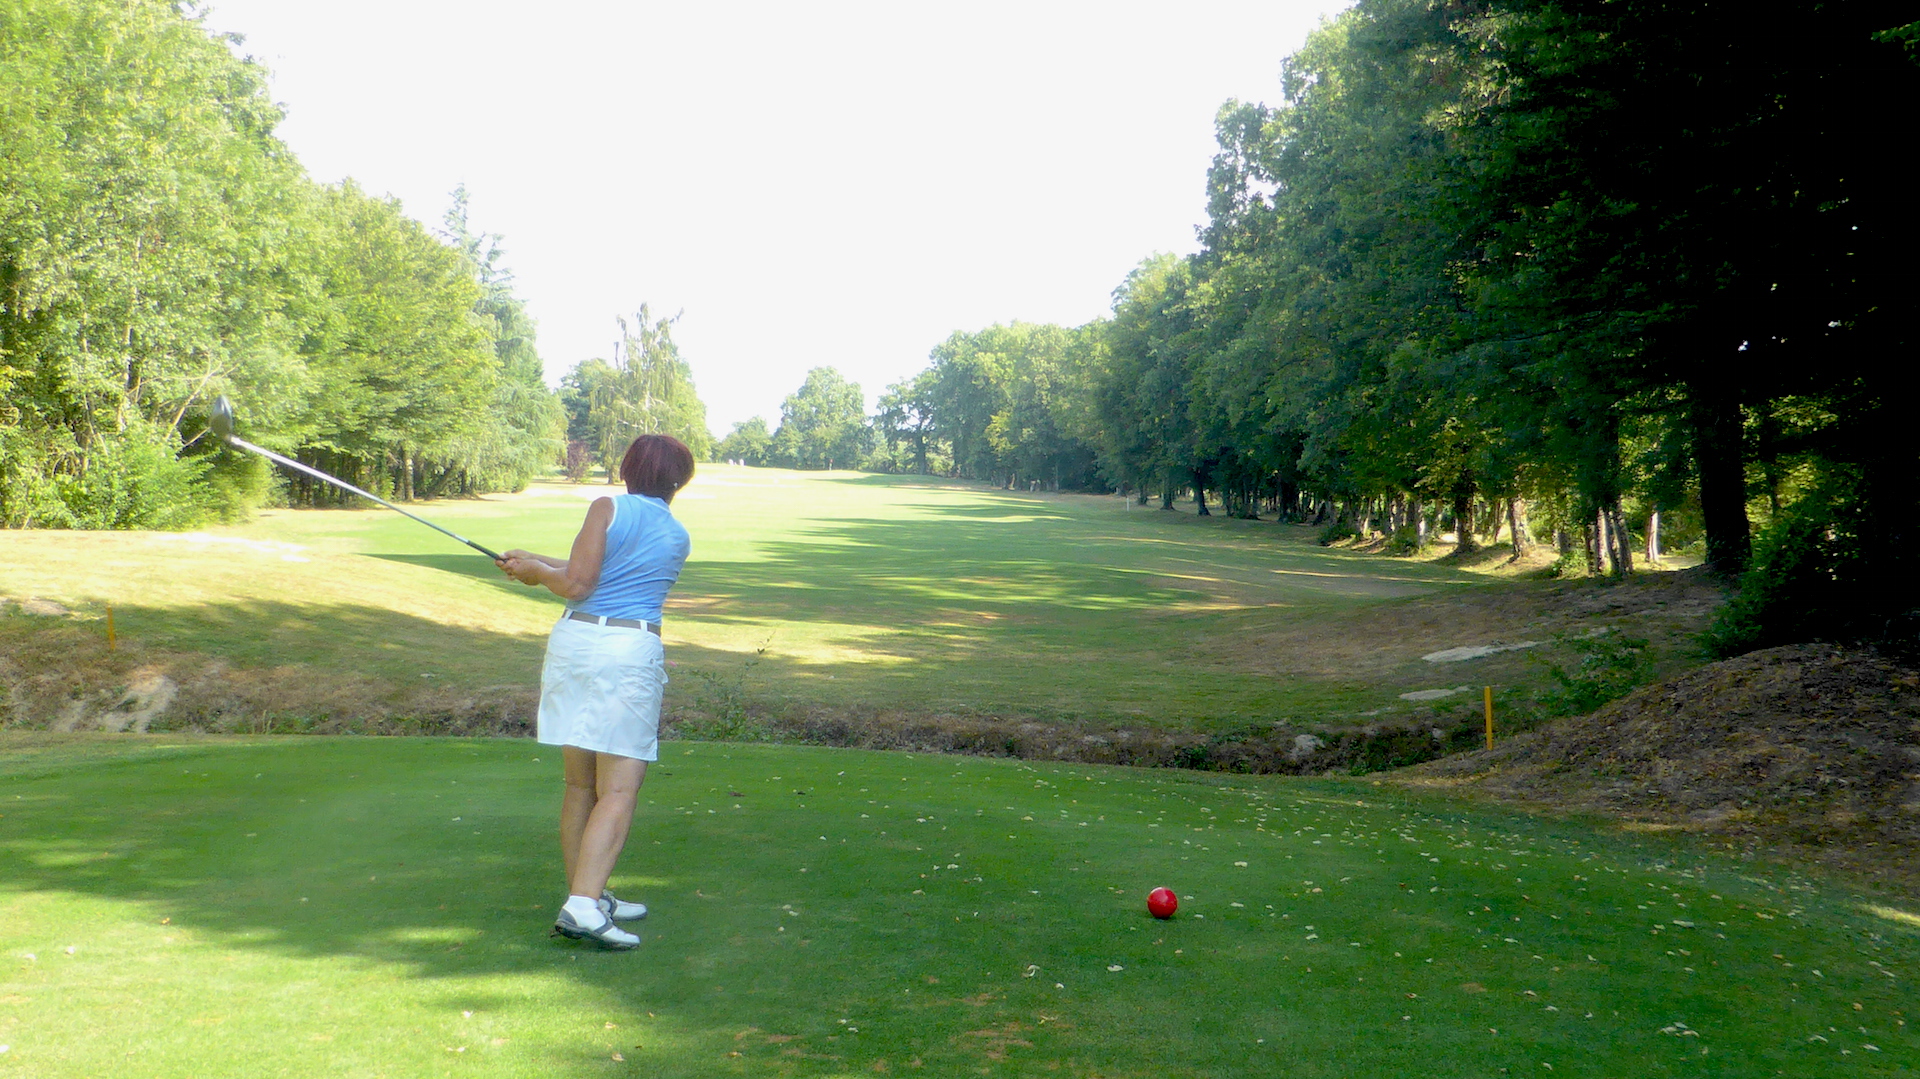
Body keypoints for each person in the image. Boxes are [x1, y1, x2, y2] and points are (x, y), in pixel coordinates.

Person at [496, 434, 695, 949]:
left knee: (581, 784)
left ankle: (587, 893)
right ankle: (584, 904)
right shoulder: (677, 534)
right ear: (679, 480)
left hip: (575, 645)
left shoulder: (607, 506)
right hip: (626, 652)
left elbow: (580, 582)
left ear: (629, 469)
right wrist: (537, 565)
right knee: (620, 787)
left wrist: (537, 570)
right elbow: (585, 577)